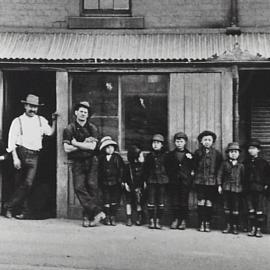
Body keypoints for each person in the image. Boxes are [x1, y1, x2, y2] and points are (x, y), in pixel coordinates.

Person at [5, 94, 57, 219]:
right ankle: (15, 210)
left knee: (28, 184)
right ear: (25, 106)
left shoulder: (41, 120)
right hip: (21, 153)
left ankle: (9, 206)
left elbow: (50, 133)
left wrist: (54, 120)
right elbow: (11, 141)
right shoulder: (17, 121)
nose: (33, 109)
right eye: (31, 106)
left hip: (34, 156)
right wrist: (15, 158)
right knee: (20, 183)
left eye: (35, 107)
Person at [63, 101, 105, 227]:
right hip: (78, 162)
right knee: (79, 187)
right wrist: (82, 145)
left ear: (88, 115)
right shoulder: (69, 128)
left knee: (92, 187)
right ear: (76, 113)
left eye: (85, 112)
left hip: (92, 161)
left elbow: (92, 147)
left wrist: (75, 143)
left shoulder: (92, 128)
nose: (83, 114)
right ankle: (97, 212)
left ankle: (87, 217)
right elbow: (66, 148)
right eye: (81, 111)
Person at [194, 130, 223, 232]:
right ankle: (201, 222)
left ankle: (208, 222)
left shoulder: (217, 154)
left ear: (213, 142)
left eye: (209, 140)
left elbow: (220, 168)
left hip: (212, 182)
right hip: (200, 181)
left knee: (209, 202)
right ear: (201, 141)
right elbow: (194, 166)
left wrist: (218, 183)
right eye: (205, 140)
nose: (207, 142)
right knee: (201, 202)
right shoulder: (197, 153)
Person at [167, 132, 194, 230]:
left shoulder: (190, 155)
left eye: (181, 141)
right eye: (177, 141)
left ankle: (183, 220)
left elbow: (193, 168)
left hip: (185, 182)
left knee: (184, 202)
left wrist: (189, 178)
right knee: (175, 201)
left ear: (185, 142)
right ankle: (175, 219)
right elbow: (167, 168)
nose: (179, 143)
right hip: (174, 182)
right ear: (174, 142)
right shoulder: (170, 155)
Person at [142, 134, 169, 229]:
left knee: (161, 202)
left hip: (162, 181)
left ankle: (158, 221)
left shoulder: (166, 156)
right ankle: (151, 220)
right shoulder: (149, 156)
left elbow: (170, 169)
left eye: (158, 143)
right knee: (151, 201)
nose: (155, 145)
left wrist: (167, 179)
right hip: (151, 181)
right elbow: (145, 169)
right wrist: (145, 180)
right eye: (154, 143)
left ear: (162, 145)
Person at [244, 139, 270, 237]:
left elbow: (268, 176)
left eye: (254, 149)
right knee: (251, 209)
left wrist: (266, 186)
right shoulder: (245, 162)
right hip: (249, 189)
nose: (251, 151)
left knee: (260, 210)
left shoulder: (264, 163)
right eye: (250, 149)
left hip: (260, 190)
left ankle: (259, 229)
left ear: (258, 150)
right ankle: (252, 228)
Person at [217, 142, 244, 235]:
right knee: (226, 207)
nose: (233, 153)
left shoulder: (241, 165)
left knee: (235, 208)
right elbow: (219, 175)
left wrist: (242, 188)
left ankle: (235, 226)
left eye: (236, 152)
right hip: (226, 188)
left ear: (239, 154)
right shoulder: (224, 164)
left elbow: (243, 178)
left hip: (237, 189)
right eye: (231, 152)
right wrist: (219, 185)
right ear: (228, 153)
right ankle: (228, 225)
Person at [98, 136, 125, 226]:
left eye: (111, 147)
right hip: (105, 182)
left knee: (114, 199)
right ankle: (107, 217)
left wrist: (121, 179)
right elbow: (99, 171)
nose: (110, 149)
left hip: (115, 182)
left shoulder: (117, 158)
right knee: (106, 199)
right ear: (104, 149)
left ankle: (113, 216)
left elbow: (121, 169)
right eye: (107, 147)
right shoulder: (101, 159)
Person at [124, 145, 145, 226]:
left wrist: (142, 185)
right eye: (141, 156)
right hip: (130, 187)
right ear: (135, 158)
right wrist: (125, 183)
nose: (143, 157)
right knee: (128, 202)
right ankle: (129, 218)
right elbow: (124, 176)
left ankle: (139, 217)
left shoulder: (143, 167)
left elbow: (144, 177)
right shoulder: (128, 167)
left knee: (138, 202)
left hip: (138, 187)